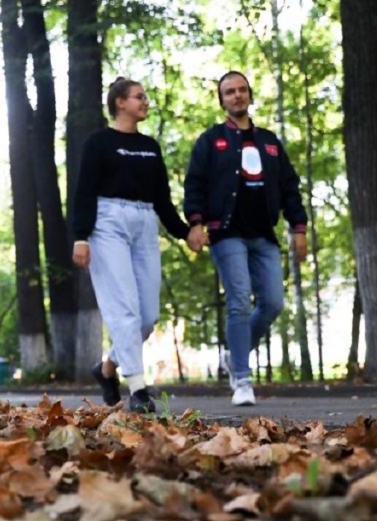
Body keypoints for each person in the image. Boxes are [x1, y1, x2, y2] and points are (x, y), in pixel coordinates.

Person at [71, 77, 207, 413]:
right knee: (125, 310)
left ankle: (107, 368)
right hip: (108, 222)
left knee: (148, 315)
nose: (145, 102)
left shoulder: (151, 147)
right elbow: (84, 192)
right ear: (120, 103)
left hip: (145, 221)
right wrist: (80, 236)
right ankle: (138, 390)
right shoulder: (98, 143)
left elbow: (162, 199)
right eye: (138, 97)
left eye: (144, 97)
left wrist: (185, 231)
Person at [184, 70, 309, 405]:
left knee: (273, 303)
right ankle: (242, 379)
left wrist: (299, 229)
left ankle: (234, 355)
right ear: (221, 100)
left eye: (241, 90)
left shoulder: (269, 142)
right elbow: (194, 184)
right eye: (229, 92)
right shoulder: (211, 141)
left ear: (250, 95)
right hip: (226, 234)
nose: (236, 96)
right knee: (239, 300)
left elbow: (289, 188)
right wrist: (195, 223)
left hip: (264, 235)